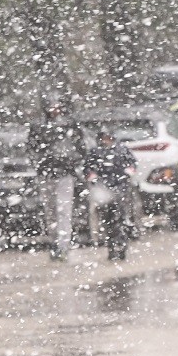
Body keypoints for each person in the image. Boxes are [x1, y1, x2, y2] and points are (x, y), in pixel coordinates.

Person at [29, 102, 86, 259]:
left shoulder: (69, 125)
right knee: (51, 212)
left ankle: (63, 246)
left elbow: (79, 147)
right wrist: (41, 164)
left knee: (63, 210)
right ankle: (55, 244)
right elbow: (32, 149)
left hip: (64, 174)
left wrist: (71, 163)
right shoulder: (39, 127)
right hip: (47, 174)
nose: (55, 110)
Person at [81, 129, 137, 261]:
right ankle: (112, 246)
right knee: (108, 219)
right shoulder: (95, 153)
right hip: (104, 191)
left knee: (120, 218)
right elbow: (88, 168)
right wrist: (93, 178)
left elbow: (132, 165)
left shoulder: (121, 150)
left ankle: (121, 245)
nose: (106, 141)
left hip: (120, 189)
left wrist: (126, 174)